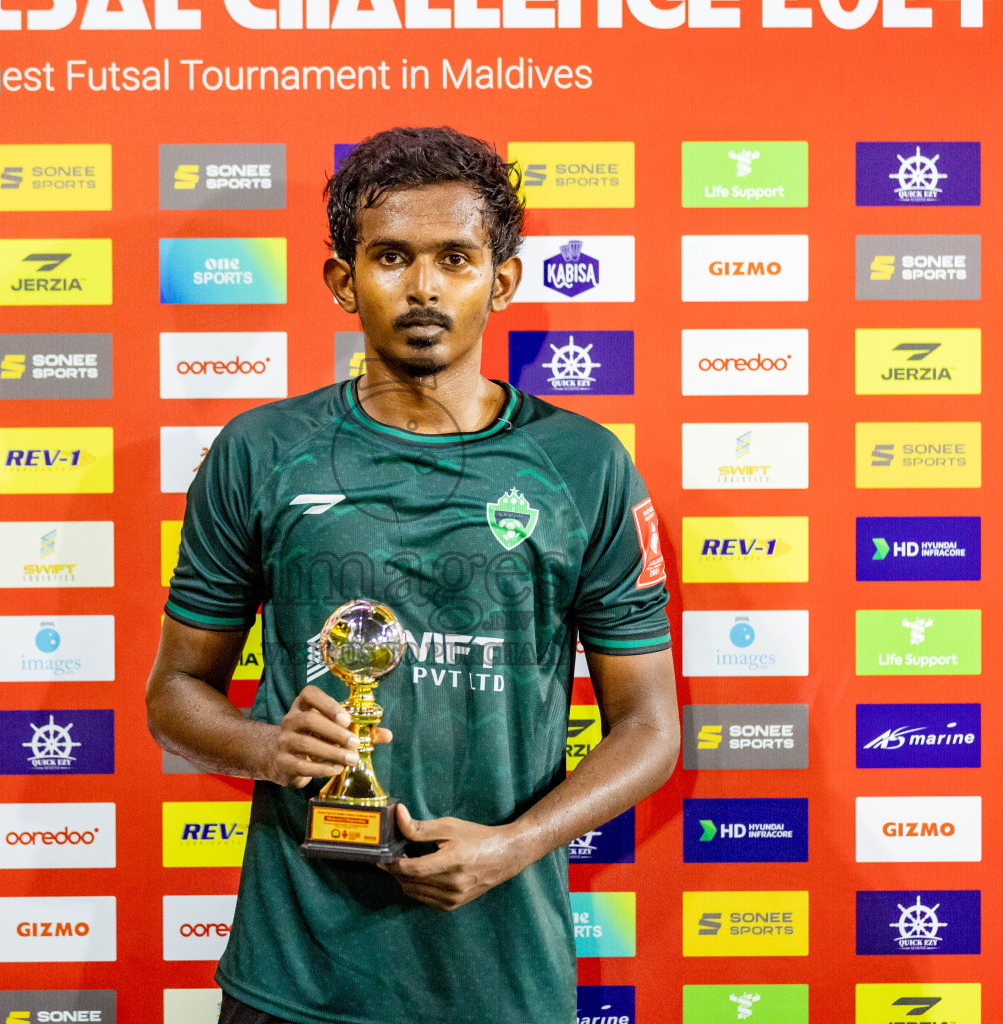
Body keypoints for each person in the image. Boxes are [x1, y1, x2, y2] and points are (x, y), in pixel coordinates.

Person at [146, 125, 679, 1024]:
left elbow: (651, 727)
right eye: (391, 256)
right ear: (343, 280)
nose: (424, 286)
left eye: (456, 258)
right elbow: (174, 695)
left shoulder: (585, 465)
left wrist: (516, 844)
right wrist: (268, 749)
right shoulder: (260, 452)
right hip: (296, 973)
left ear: (501, 281)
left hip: (500, 976)